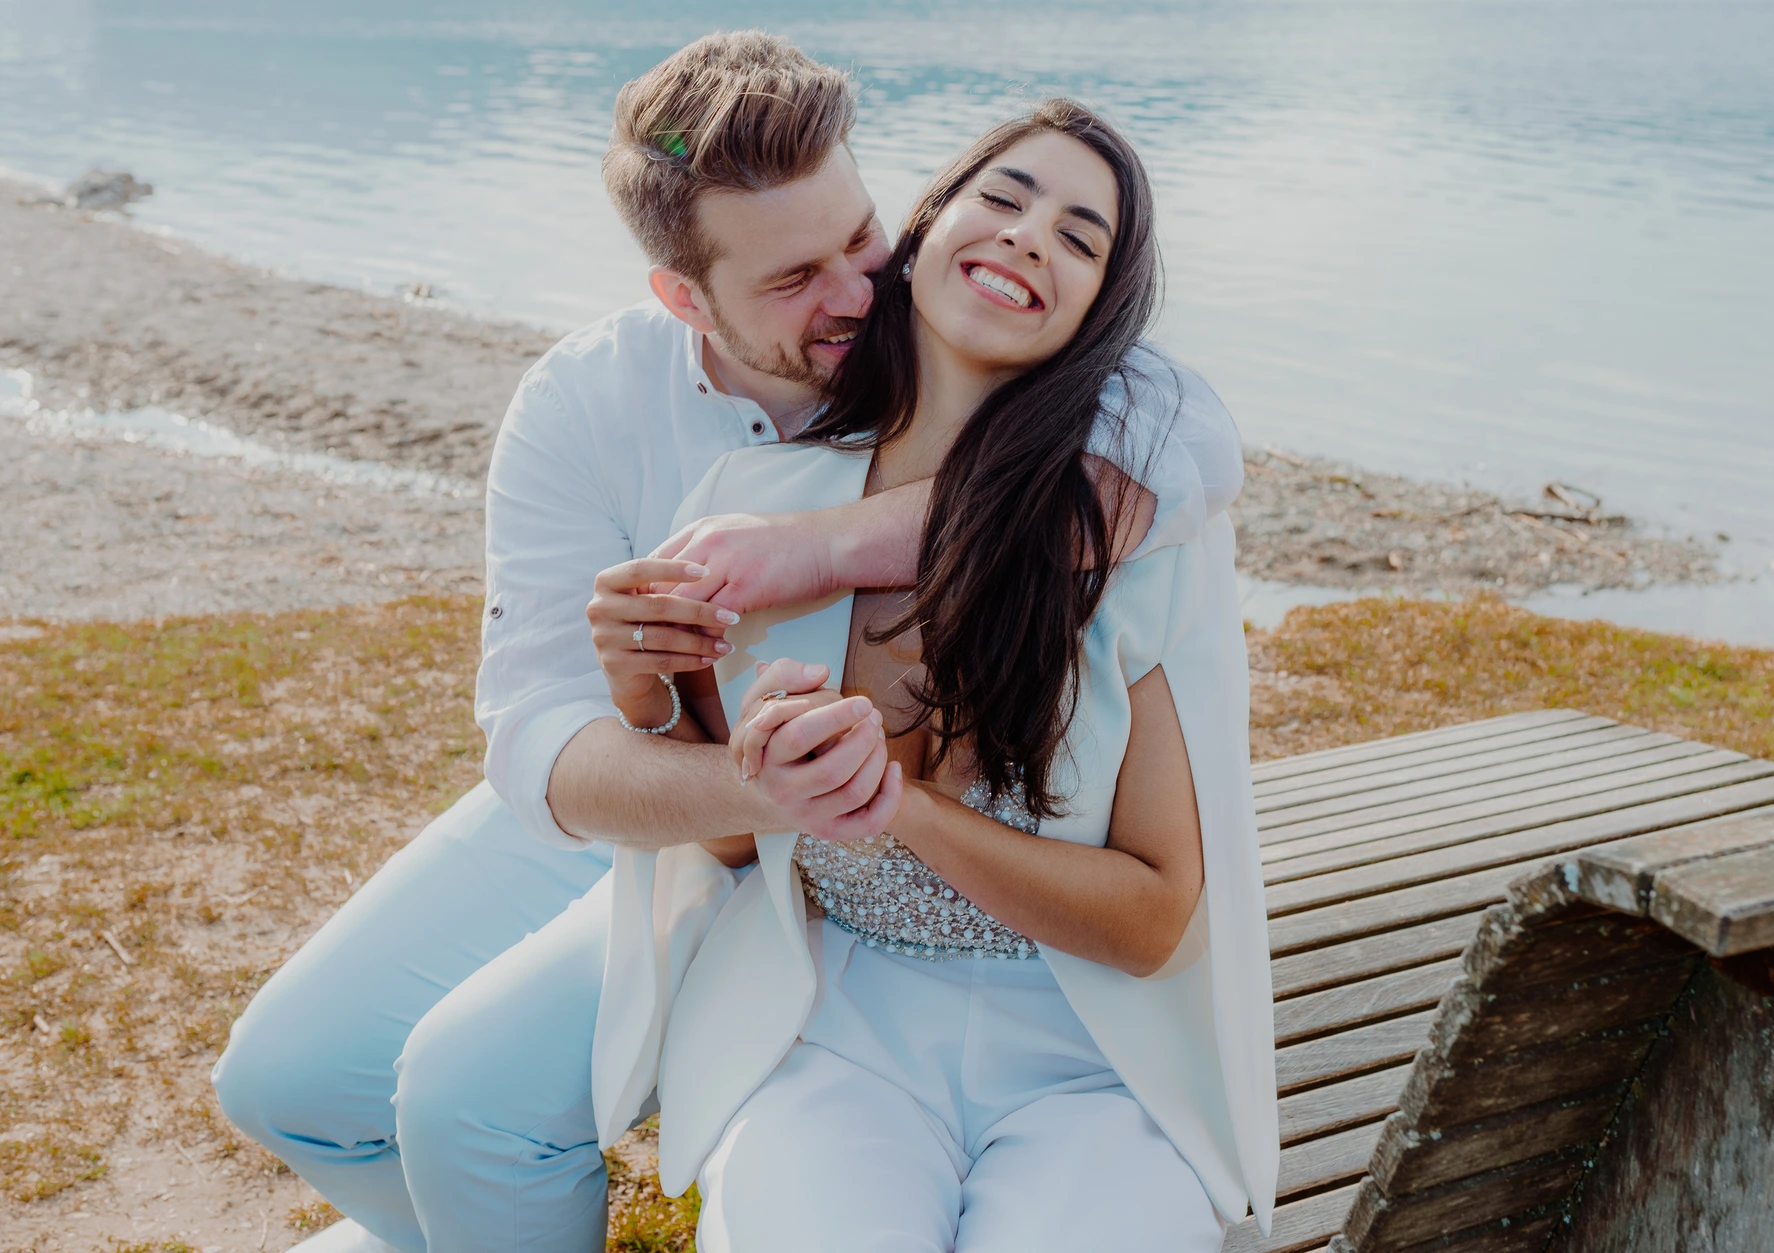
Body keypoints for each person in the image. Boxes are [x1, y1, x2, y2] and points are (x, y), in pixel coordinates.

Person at [208, 32, 1246, 1253]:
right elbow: (544, 740)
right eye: (793, 278)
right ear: (683, 297)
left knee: (466, 1092)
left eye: (861, 237)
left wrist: (817, 550)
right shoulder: (584, 405)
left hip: (830, 853)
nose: (854, 293)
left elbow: (1171, 444)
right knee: (282, 1084)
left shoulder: (1017, 365)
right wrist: (682, 713)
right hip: (652, 791)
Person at [592, 99, 1277, 1253]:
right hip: (838, 1020)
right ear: (921, 233)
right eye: (1003, 200)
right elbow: (730, 848)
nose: (1025, 238)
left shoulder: (1134, 534)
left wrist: (897, 809)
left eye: (1078, 237)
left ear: (1098, 310)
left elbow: (1154, 915)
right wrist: (641, 690)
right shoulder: (741, 514)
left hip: (1088, 1053)